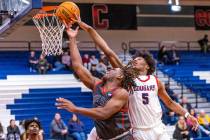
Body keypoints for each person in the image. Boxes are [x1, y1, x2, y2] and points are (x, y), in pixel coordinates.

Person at [73, 17, 199, 140]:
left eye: (138, 59)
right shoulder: (128, 78)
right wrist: (88, 28)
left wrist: (187, 115)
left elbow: (170, 103)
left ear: (147, 65)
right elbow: (108, 52)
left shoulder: (156, 81)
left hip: (158, 128)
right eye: (134, 59)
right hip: (138, 131)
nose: (134, 60)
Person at [56, 23, 139, 140]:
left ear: (120, 77)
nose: (109, 68)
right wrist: (72, 38)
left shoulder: (121, 93)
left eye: (113, 69)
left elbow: (103, 113)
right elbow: (78, 66)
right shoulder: (97, 84)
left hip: (122, 137)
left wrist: (75, 109)